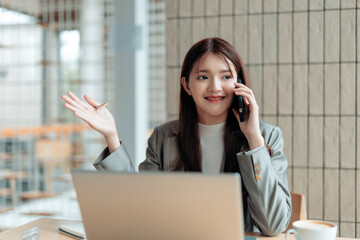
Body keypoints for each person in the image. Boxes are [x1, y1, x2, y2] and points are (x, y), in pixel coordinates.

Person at [61, 37, 291, 236]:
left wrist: (253, 139)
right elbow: (138, 208)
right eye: (203, 77)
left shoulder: (267, 136)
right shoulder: (163, 137)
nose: (215, 87)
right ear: (187, 85)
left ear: (238, 84)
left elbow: (273, 226)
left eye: (226, 77)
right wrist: (111, 135)